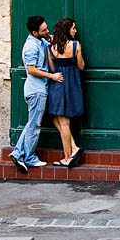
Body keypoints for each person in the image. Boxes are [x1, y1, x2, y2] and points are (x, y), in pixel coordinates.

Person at [8, 16, 63, 174]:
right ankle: (27, 156)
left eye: (47, 28)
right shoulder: (31, 46)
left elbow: (50, 47)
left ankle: (19, 153)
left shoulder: (40, 41)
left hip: (39, 89)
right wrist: (52, 76)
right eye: (44, 30)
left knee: (32, 123)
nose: (47, 31)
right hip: (36, 90)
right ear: (34, 32)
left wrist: (52, 39)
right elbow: (31, 69)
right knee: (34, 124)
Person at [47, 17, 85, 167]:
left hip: (57, 84)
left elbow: (52, 69)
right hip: (72, 84)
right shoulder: (76, 45)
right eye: (73, 28)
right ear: (67, 30)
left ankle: (68, 155)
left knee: (61, 121)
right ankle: (71, 152)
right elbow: (81, 66)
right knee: (61, 121)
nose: (75, 30)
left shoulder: (50, 48)